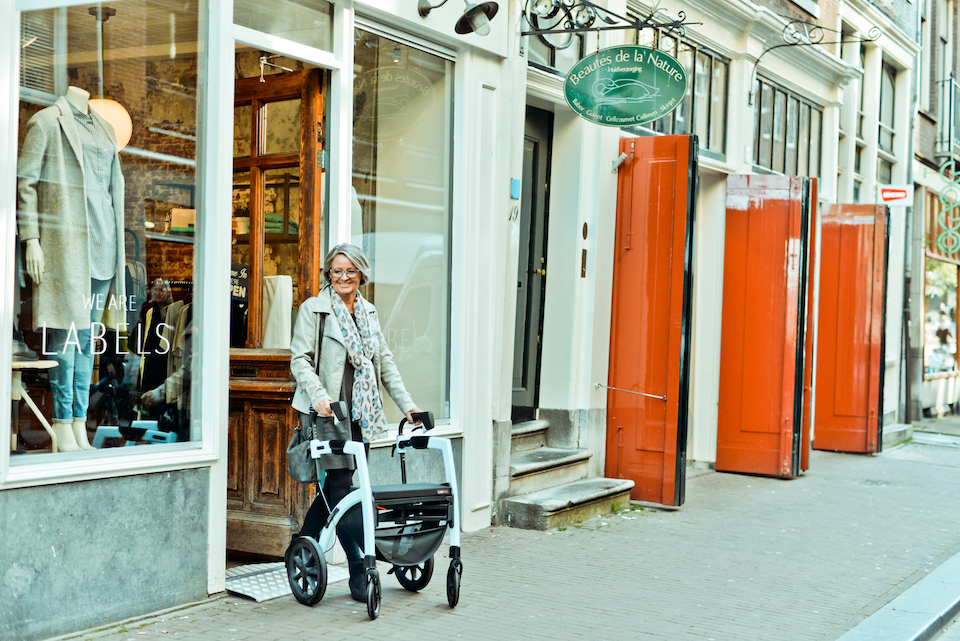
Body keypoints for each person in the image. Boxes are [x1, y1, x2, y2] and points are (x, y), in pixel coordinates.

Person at [290, 243, 423, 602]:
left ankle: (300, 544)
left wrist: (408, 407)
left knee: (340, 490)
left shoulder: (369, 313)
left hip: (361, 414)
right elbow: (299, 359)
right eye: (336, 271)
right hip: (327, 412)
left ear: (361, 274)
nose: (343, 277)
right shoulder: (314, 310)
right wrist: (318, 396)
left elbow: (386, 363)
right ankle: (359, 569)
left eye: (350, 271)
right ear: (328, 274)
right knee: (343, 489)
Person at [17, 85, 127, 452]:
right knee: (66, 339)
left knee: (86, 343)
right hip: (67, 247)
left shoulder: (107, 129)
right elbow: (25, 184)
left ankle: (80, 421)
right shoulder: (46, 122)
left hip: (104, 245)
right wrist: (31, 238)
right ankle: (63, 423)